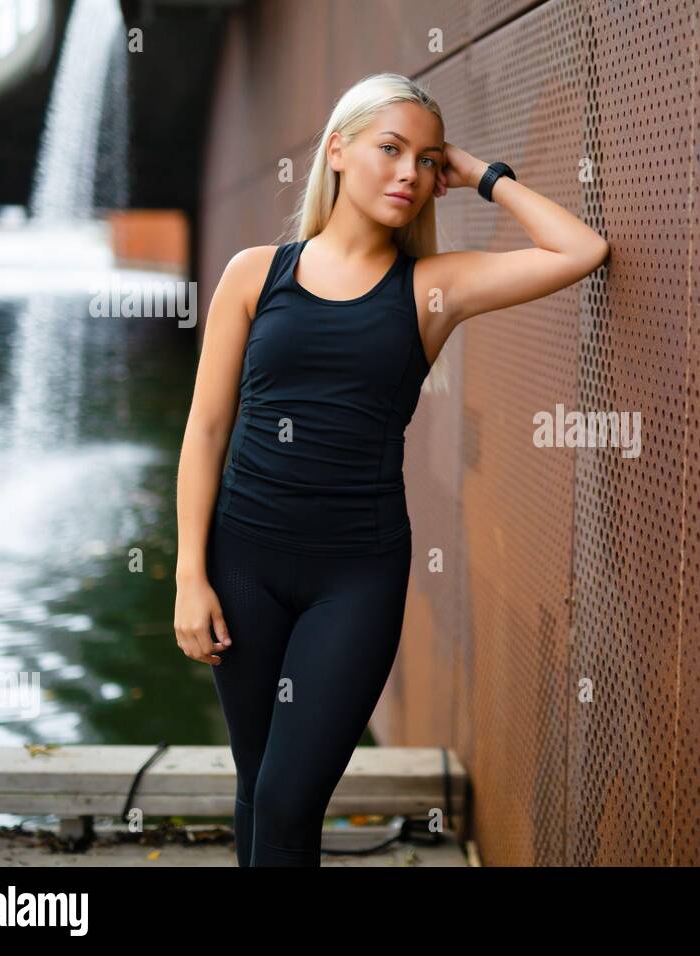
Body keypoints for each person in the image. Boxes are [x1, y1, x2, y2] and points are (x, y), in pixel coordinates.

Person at [172, 72, 608, 866]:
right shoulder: (253, 274)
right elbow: (205, 431)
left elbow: (581, 250)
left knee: (287, 796)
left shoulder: (432, 291)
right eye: (390, 148)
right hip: (243, 565)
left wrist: (479, 172)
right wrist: (188, 576)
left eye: (425, 159)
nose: (409, 172)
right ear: (336, 150)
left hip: (356, 577)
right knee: (257, 782)